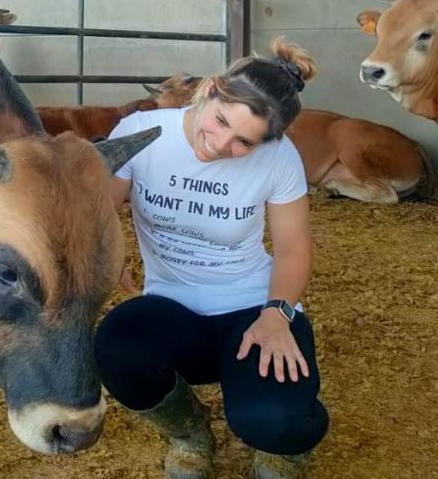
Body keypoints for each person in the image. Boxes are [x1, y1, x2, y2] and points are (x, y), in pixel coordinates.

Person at [95, 38, 329, 479]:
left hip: (253, 310)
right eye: (221, 121)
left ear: (267, 142)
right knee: (117, 347)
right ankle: (190, 433)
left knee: (279, 423)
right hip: (171, 309)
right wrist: (108, 250)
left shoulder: (279, 159)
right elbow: (100, 211)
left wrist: (277, 314)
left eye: (244, 142)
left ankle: (284, 451)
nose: (221, 144)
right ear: (211, 90)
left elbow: (294, 249)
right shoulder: (142, 132)